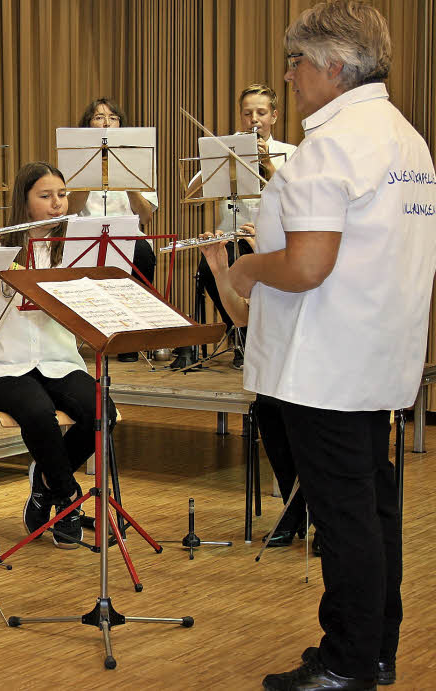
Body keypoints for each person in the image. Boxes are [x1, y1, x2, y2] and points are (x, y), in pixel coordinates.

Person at [227, 2, 436, 688]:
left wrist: (248, 266)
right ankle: (375, 649)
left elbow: (309, 265)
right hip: (375, 353)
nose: (288, 77)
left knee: (346, 518)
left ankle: (346, 663)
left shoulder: (333, 143)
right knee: (372, 509)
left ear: (333, 68)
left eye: (296, 62)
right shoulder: (406, 138)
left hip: (323, 362)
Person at [0, 162, 116, 548]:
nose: (57, 204)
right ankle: (67, 498)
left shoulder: (76, 251)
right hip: (1, 366)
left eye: (62, 195)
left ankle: (47, 482)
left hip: (59, 360)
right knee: (37, 413)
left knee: (104, 412)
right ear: (24, 201)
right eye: (45, 196)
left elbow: (59, 302)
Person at [199, 235, 311, 551]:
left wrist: (266, 253)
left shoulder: (309, 243)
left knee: (302, 422)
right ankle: (294, 509)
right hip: (274, 363)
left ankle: (323, 515)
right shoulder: (264, 258)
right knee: (268, 409)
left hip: (315, 360)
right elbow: (241, 316)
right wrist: (220, 269)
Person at [188, 83, 299, 370]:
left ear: (274, 116)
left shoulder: (289, 152)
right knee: (210, 266)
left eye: (261, 113)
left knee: (247, 260)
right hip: (231, 236)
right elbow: (193, 193)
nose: (254, 120)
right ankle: (242, 334)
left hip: (273, 239)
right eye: (248, 113)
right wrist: (221, 157)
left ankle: (257, 338)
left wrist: (267, 165)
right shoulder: (227, 150)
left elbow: (295, 198)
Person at [70, 98, 159, 362]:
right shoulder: (75, 158)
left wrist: (127, 179)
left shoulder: (139, 160)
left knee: (142, 251)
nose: (106, 122)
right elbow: (69, 211)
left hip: (128, 236)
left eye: (113, 117)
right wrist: (87, 175)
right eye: (98, 117)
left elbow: (146, 217)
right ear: (88, 125)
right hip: (87, 236)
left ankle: (130, 337)